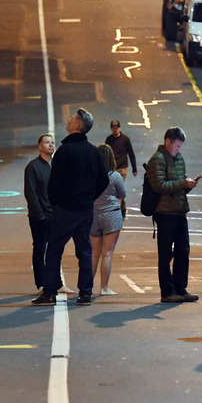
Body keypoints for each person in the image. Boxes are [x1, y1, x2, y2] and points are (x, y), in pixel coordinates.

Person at [32, 109, 110, 307]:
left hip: (65, 209)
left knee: (54, 250)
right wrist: (89, 196)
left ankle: (49, 292)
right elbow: (103, 180)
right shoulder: (93, 151)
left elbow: (55, 182)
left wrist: (55, 201)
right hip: (85, 209)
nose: (68, 120)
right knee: (84, 249)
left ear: (76, 125)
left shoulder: (64, 151)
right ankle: (85, 293)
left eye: (72, 118)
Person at [146, 127, 200, 303]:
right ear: (167, 141)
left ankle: (180, 287)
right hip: (165, 212)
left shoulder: (179, 159)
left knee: (183, 250)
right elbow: (159, 185)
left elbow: (178, 183)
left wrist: (187, 185)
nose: (178, 150)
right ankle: (167, 291)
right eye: (177, 146)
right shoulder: (158, 160)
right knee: (166, 253)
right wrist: (182, 183)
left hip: (179, 210)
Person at [23, 133, 69, 293]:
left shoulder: (55, 166)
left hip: (56, 215)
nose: (51, 145)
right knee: (39, 249)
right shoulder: (33, 167)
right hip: (39, 217)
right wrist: (40, 215)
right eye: (47, 143)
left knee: (56, 250)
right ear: (39, 146)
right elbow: (30, 193)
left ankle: (57, 283)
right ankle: (41, 284)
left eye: (52, 143)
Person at [91, 144, 126, 295]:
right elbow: (123, 194)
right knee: (107, 253)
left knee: (93, 254)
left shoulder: (90, 175)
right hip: (111, 214)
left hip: (93, 214)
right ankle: (104, 288)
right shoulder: (114, 176)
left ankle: (87, 287)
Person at [105, 119, 137, 217]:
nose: (115, 130)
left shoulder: (125, 139)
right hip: (111, 168)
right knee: (115, 189)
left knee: (117, 189)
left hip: (122, 168)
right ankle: (122, 209)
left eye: (117, 127)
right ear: (111, 128)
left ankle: (117, 213)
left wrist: (134, 168)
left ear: (120, 128)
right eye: (113, 128)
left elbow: (131, 153)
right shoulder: (109, 140)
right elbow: (105, 154)